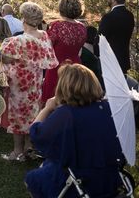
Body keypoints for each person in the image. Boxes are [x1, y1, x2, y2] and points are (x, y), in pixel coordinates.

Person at [25, 64, 126, 197]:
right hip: (110, 178)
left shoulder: (66, 114)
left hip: (80, 180)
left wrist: (47, 108)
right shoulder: (109, 108)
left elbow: (36, 135)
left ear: (64, 86)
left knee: (33, 179)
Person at [0, 2, 58, 161]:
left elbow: (4, 58)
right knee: (32, 113)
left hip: (19, 82)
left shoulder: (18, 41)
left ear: (24, 19)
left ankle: (17, 152)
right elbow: (49, 61)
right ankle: (29, 147)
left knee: (18, 116)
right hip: (35, 81)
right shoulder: (44, 35)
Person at [41, 0, 88, 104]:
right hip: (76, 66)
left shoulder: (57, 26)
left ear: (62, 9)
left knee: (52, 101)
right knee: (73, 99)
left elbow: (47, 46)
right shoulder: (82, 27)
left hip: (57, 67)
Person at [98, 0, 135, 75]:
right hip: (123, 61)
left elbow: (100, 40)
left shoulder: (108, 17)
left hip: (109, 62)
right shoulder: (130, 15)